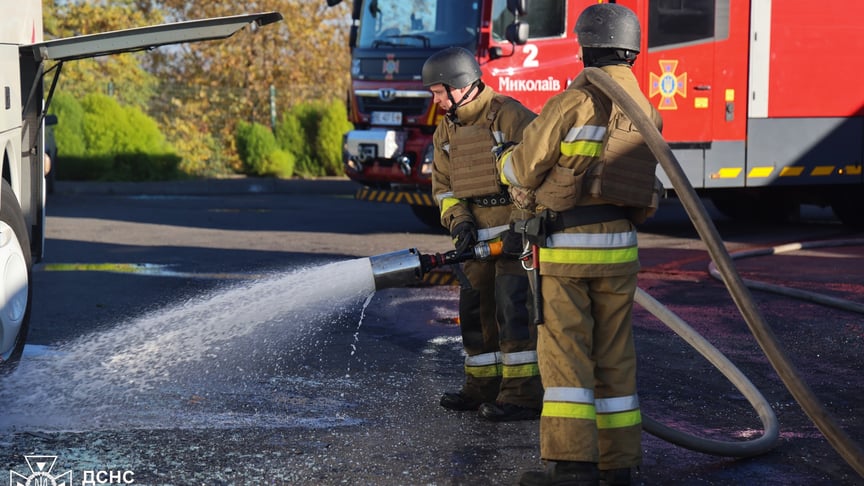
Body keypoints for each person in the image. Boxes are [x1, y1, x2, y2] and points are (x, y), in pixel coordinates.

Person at [495, 4, 663, 485]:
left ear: (587, 47)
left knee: (566, 356)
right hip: (621, 250)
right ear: (631, 50)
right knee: (615, 357)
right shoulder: (646, 109)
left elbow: (525, 168)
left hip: (568, 250)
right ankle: (618, 467)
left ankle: (572, 467)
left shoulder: (575, 102)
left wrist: (505, 161)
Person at [422, 46, 544, 422]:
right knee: (475, 313)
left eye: (439, 93)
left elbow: (537, 173)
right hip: (475, 241)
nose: (437, 101)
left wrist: (521, 226)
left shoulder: (510, 116)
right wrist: (458, 221)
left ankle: (522, 395)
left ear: (461, 85)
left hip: (513, 238)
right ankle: (481, 388)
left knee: (514, 310)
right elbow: (443, 187)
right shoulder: (446, 130)